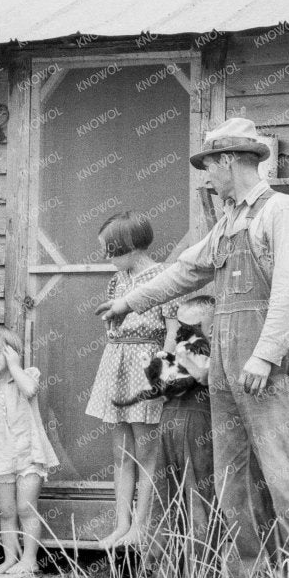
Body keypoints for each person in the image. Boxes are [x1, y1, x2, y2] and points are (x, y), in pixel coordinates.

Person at [100, 116, 289, 578]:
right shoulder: (229, 221)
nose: (206, 177)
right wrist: (129, 302)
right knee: (233, 479)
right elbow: (185, 271)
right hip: (226, 370)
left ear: (228, 161)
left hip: (263, 368)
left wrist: (265, 356)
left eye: (209, 166)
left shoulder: (281, 211)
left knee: (282, 474)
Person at [85, 210, 175, 549]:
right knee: (121, 453)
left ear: (130, 246)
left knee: (147, 453)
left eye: (110, 250)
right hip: (116, 363)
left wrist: (161, 373)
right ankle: (121, 524)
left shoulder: (164, 276)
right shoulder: (117, 280)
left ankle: (142, 526)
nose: (106, 257)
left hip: (146, 365)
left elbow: (173, 331)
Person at [0, 325, 58, 575]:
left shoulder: (26, 376)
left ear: (13, 354)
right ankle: (10, 558)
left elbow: (30, 390)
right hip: (0, 458)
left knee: (26, 509)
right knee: (7, 512)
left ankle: (29, 560)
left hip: (29, 455)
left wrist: (15, 366)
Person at [152, 292, 216, 578]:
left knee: (199, 495)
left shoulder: (213, 345)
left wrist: (183, 356)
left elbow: (204, 374)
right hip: (170, 418)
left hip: (199, 417)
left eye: (195, 326)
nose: (186, 332)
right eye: (182, 326)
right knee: (168, 496)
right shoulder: (180, 345)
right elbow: (159, 385)